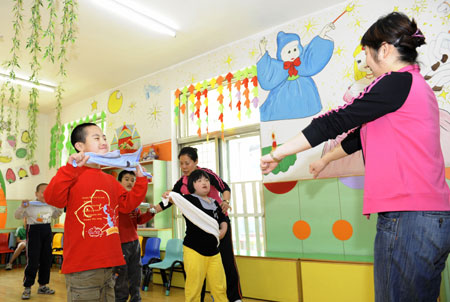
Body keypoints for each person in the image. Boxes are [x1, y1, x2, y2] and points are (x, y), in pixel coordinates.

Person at [261, 12, 450, 302]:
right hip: (431, 217)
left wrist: (279, 152)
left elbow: (336, 120)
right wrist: (326, 160)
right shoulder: (417, 88)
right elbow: (360, 136)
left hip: (408, 216)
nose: (366, 65)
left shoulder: (395, 82)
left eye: (367, 54)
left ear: (384, 50)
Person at [44, 123, 148, 302]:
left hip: (109, 265)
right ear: (80, 146)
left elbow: (126, 205)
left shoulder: (110, 179)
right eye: (97, 138)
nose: (104, 142)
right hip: (83, 266)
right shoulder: (71, 174)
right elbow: (53, 198)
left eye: (105, 138)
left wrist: (140, 181)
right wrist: (69, 169)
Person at [152, 146, 243, 302]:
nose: (184, 167)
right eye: (181, 164)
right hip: (199, 230)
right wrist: (152, 210)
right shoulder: (181, 183)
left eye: (187, 163)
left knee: (226, 262)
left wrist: (225, 203)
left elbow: (224, 188)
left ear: (196, 162)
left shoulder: (207, 175)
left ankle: (234, 298)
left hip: (220, 222)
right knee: (197, 271)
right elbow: (169, 201)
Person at [161, 169, 228, 302]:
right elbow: (175, 199)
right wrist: (169, 195)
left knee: (220, 287)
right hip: (194, 250)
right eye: (199, 181)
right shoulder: (189, 200)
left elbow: (223, 219)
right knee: (194, 288)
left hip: (214, 252)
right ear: (192, 185)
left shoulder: (214, 203)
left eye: (207, 180)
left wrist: (223, 229)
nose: (204, 183)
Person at [14, 183, 63, 300]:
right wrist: (22, 206)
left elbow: (56, 214)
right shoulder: (29, 205)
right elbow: (17, 216)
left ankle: (43, 286)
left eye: (48, 192)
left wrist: (59, 206)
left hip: (47, 230)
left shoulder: (50, 205)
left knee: (46, 260)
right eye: (42, 192)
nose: (45, 194)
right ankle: (27, 287)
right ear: (36, 194)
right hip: (34, 231)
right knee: (33, 261)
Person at [114, 170, 154, 302]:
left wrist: (150, 213)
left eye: (133, 180)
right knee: (122, 276)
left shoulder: (134, 201)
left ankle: (136, 298)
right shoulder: (116, 199)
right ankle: (120, 299)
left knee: (136, 274)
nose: (130, 182)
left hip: (134, 243)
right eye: (126, 179)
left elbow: (139, 220)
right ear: (119, 182)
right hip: (120, 244)